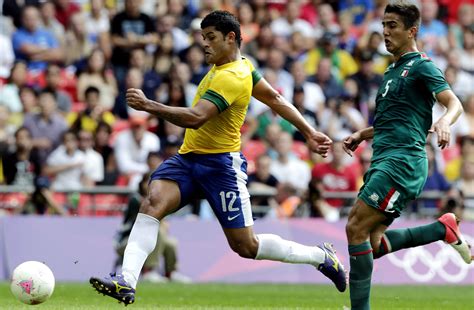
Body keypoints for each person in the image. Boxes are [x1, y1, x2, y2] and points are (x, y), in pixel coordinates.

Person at [90, 11, 346, 305]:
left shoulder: (233, 77)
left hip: (221, 167)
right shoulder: (242, 67)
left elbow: (196, 118)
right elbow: (275, 98)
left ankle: (320, 257)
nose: (205, 45)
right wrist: (309, 131)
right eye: (203, 38)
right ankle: (127, 281)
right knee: (151, 203)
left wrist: (148, 105)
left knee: (246, 246)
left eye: (211, 38)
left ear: (231, 37)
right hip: (188, 160)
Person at [341, 2, 471, 310]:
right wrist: (362, 134)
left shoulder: (422, 66)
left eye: (393, 26)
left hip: (402, 163)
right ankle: (442, 229)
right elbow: (395, 121)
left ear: (411, 31)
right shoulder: (391, 70)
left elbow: (454, 103)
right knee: (371, 243)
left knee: (354, 227)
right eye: (384, 25)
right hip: (384, 158)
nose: (385, 32)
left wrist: (443, 120)